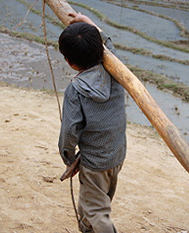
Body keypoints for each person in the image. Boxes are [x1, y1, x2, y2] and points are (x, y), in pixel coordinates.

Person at [58, 13, 126, 233]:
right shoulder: (114, 67)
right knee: (96, 200)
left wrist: (68, 157)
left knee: (97, 212)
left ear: (69, 62)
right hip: (117, 153)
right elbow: (107, 41)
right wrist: (85, 20)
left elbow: (70, 130)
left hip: (95, 162)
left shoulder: (75, 90)